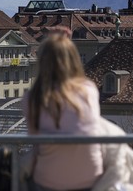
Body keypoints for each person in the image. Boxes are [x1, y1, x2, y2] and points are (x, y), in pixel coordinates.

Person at [23, 32, 103, 191]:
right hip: (89, 177)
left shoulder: (32, 98)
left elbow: (35, 142)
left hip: (49, 181)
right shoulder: (89, 90)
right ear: (74, 60)